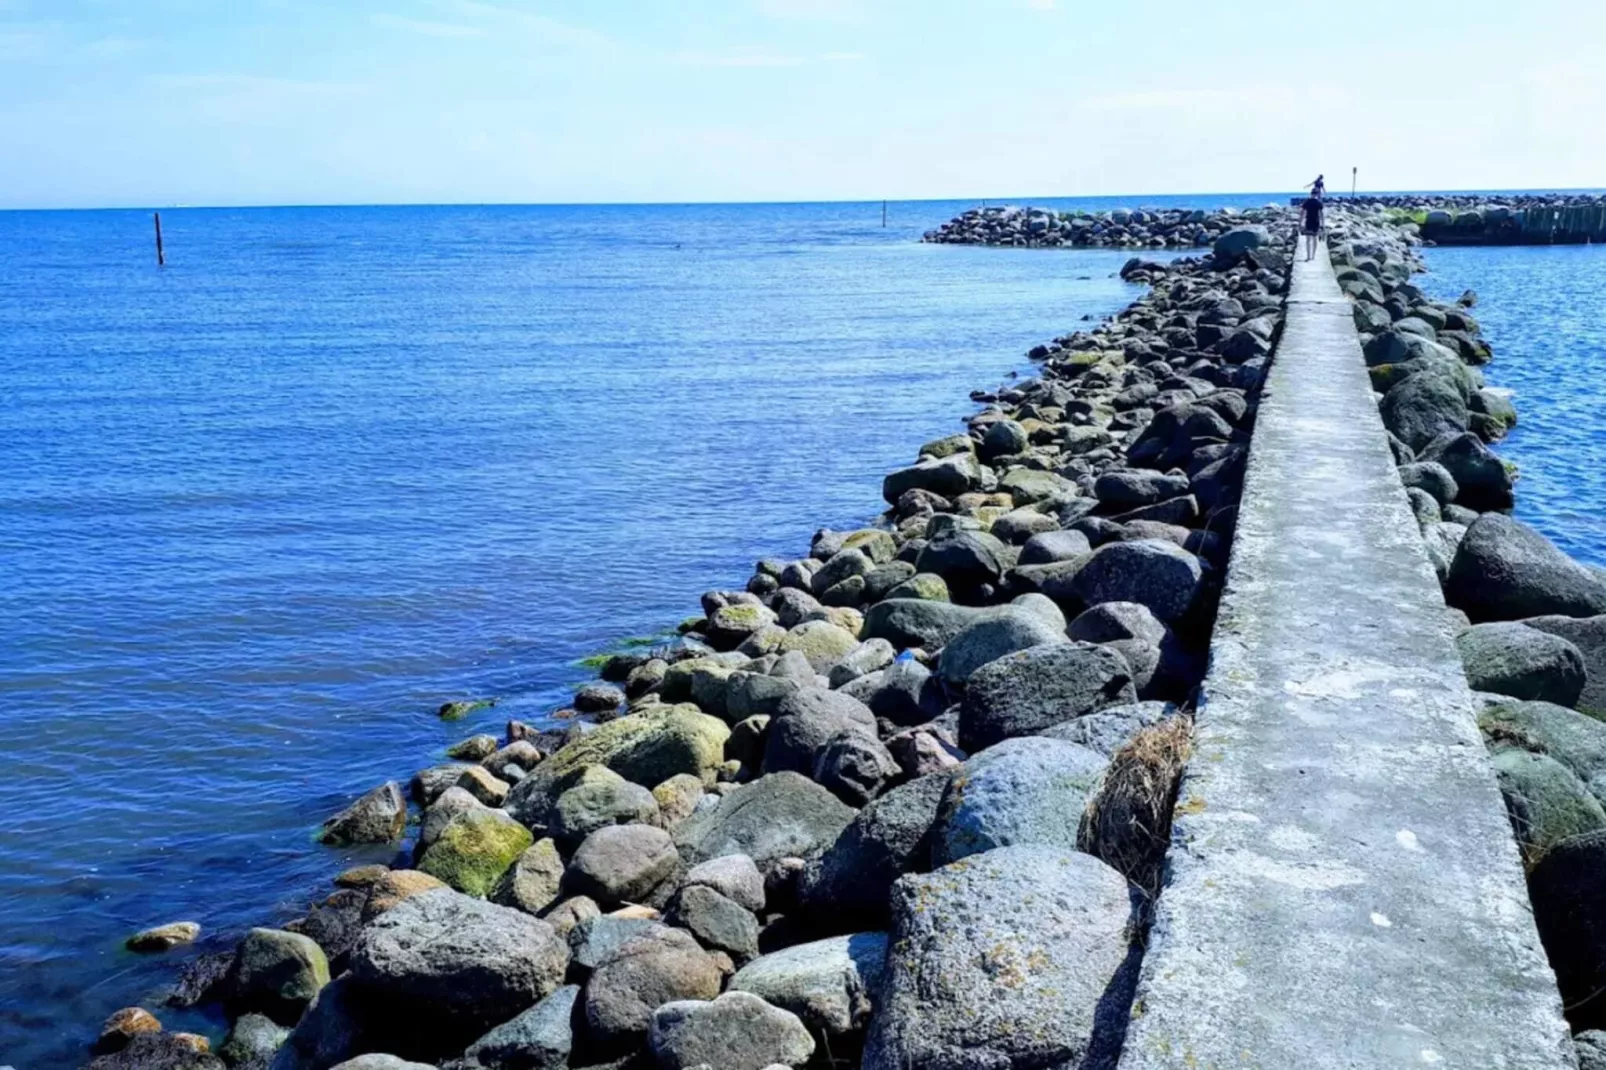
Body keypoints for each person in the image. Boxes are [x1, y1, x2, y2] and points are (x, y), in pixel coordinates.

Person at [1300, 190, 1324, 261]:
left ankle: (1308, 256)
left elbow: (1302, 213)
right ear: (1317, 194)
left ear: (1311, 194)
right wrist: (1323, 224)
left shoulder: (1307, 202)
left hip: (1308, 222)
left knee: (1308, 240)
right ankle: (1313, 256)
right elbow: (1321, 214)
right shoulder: (1319, 203)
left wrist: (1300, 223)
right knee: (1315, 239)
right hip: (1316, 223)